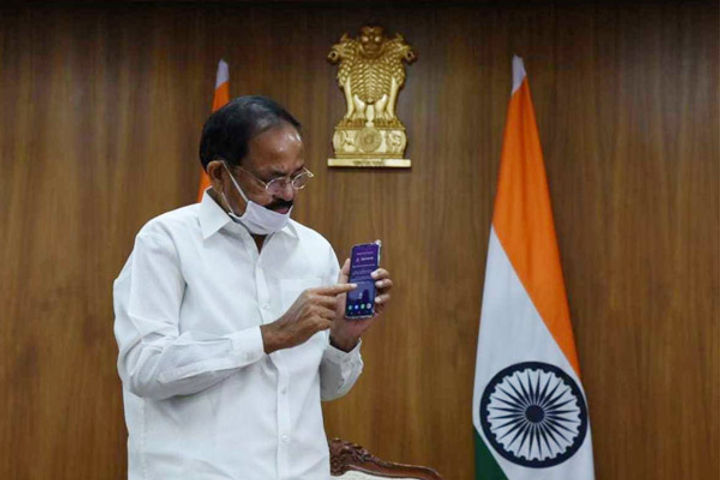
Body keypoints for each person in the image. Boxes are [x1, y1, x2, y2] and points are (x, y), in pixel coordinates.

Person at [113, 95, 393, 479]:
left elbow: (328, 389)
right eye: (272, 179)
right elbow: (144, 369)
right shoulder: (165, 242)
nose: (288, 194)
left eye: (297, 176)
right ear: (219, 173)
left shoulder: (314, 250)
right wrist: (270, 336)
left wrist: (344, 338)